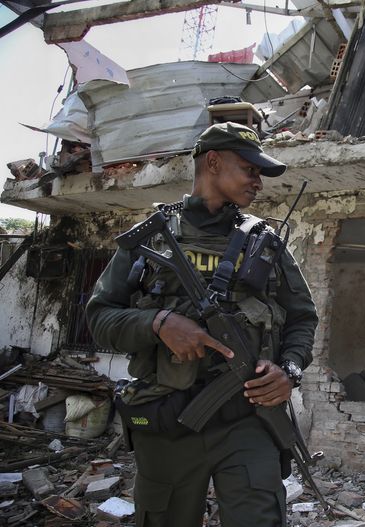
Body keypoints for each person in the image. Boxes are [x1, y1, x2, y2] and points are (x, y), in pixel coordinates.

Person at [86, 121, 318, 527]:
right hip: (167, 419)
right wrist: (158, 323)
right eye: (250, 169)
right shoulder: (151, 239)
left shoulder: (264, 244)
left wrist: (290, 371)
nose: (258, 182)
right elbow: (99, 318)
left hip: (249, 419)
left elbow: (302, 318)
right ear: (213, 162)